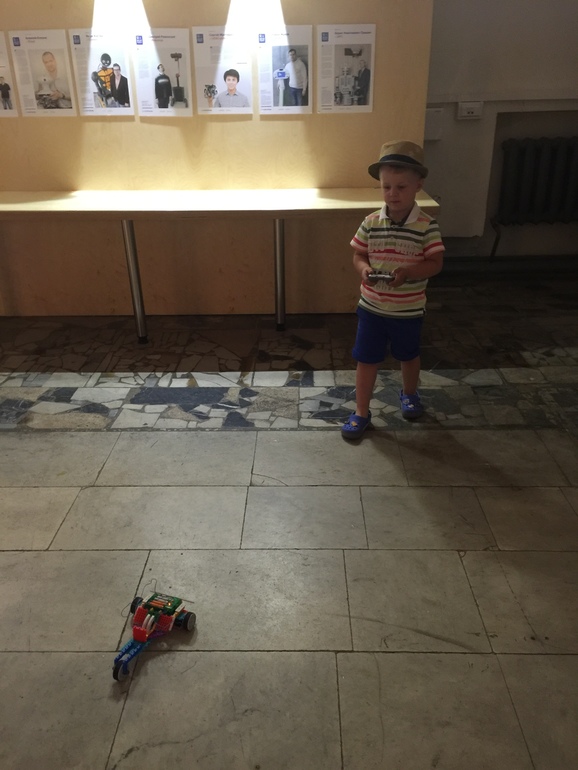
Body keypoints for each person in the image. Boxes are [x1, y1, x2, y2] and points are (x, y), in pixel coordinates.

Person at [341, 140, 444, 439]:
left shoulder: (426, 226)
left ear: (418, 186)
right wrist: (364, 270)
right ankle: (361, 411)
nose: (392, 194)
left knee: (408, 355)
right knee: (366, 359)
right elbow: (358, 254)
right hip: (372, 307)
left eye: (401, 187)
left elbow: (435, 263)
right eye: (386, 187)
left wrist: (409, 273)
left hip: (408, 310)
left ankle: (409, 393)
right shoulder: (371, 222)